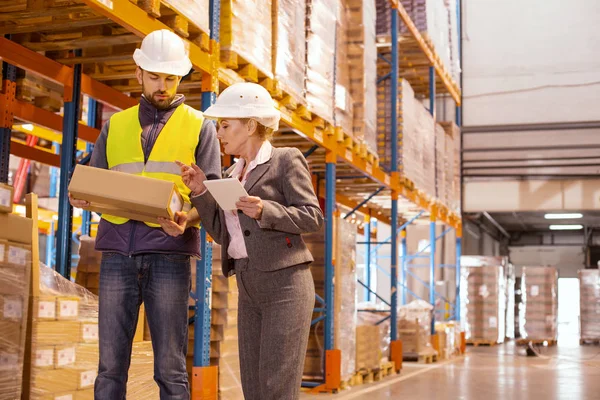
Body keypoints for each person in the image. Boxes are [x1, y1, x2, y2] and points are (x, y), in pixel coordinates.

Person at [68, 29, 221, 400]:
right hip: (118, 253)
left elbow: (212, 196)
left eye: (170, 78)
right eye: (155, 76)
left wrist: (189, 218)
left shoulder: (200, 126)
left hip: (170, 255)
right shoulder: (115, 126)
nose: (163, 85)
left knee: (170, 369)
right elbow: (96, 184)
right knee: (109, 369)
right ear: (139, 73)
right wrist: (82, 198)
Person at [177, 82, 324, 400]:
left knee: (276, 387)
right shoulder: (231, 174)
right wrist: (201, 190)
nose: (219, 134)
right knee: (254, 388)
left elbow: (312, 217)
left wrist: (264, 210)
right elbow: (220, 233)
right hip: (247, 283)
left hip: (285, 284)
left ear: (251, 125)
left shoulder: (285, 160)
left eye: (226, 125)